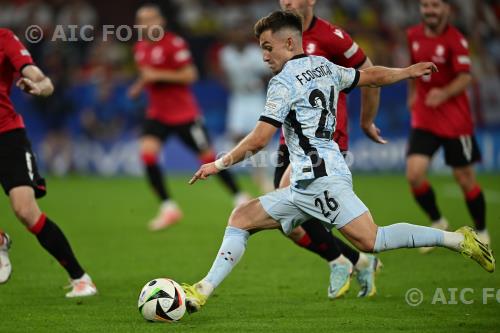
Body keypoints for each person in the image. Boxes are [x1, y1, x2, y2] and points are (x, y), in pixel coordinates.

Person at [181, 11, 494, 313]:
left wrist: (218, 164)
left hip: (319, 180)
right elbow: (370, 76)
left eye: (267, 47)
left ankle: (457, 239)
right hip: (309, 178)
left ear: (289, 43)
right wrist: (406, 72)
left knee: (373, 240)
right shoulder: (323, 66)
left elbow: (260, 138)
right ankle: (202, 290)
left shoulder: (282, 82)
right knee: (241, 217)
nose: (264, 56)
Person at [274, 0, 383, 299]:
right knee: (291, 226)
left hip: (325, 142)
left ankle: (340, 261)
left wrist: (367, 120)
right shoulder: (279, 33)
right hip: (290, 139)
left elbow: (370, 74)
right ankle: (358, 260)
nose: (287, 2)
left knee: (289, 202)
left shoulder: (333, 37)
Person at [129, 5, 248, 231]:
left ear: (161, 21)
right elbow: (147, 75)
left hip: (184, 114)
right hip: (157, 114)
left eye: (150, 19)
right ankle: (168, 207)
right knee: (147, 154)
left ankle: (239, 196)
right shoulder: (140, 48)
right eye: (142, 20)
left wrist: (157, 75)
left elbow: (190, 74)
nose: (146, 24)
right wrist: (138, 86)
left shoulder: (175, 44)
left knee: (208, 158)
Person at [0, 28, 96, 297]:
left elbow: (40, 78)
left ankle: (81, 278)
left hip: (6, 135)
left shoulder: (5, 39)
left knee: (25, 211)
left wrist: (40, 86)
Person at [406, 0, 490, 250]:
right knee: (414, 174)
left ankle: (482, 231)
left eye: (435, 5)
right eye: (425, 5)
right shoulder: (413, 35)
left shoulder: (456, 40)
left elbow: (465, 77)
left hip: (455, 121)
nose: (429, 10)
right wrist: (413, 93)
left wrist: (442, 93)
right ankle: (438, 221)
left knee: (464, 178)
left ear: (446, 10)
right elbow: (414, 68)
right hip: (425, 117)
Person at [219, 21, 274, 193]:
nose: (238, 37)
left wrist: (258, 83)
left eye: (241, 33)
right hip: (238, 98)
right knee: (236, 135)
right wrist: (229, 84)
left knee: (261, 135)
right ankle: (253, 167)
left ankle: (263, 174)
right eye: (235, 33)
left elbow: (269, 72)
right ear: (230, 36)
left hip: (255, 98)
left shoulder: (255, 53)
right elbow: (223, 74)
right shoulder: (225, 54)